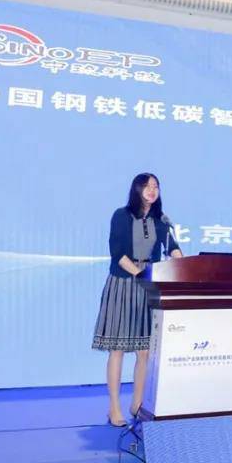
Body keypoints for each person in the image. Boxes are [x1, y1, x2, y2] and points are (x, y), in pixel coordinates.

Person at [92, 173, 182, 426]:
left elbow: (172, 247)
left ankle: (138, 403)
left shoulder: (161, 219)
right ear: (137, 189)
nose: (152, 190)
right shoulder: (121, 215)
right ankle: (114, 408)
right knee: (118, 349)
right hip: (123, 283)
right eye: (147, 186)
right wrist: (140, 274)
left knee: (144, 350)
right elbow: (118, 253)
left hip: (149, 285)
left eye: (156, 186)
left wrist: (183, 262)